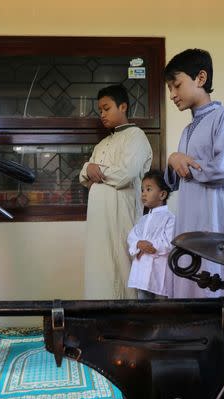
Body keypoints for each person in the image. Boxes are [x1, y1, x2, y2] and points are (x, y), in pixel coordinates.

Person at [164, 48, 224, 298]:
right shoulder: (186, 130)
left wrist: (183, 163)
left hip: (214, 216)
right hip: (189, 215)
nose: (173, 95)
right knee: (190, 271)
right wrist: (172, 161)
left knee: (214, 280)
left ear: (200, 78)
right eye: (169, 89)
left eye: (176, 85)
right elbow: (174, 180)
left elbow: (223, 170)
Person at [80, 85, 153, 299]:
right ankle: (100, 319)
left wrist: (96, 170)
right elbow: (83, 176)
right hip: (98, 219)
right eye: (100, 110)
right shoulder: (102, 143)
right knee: (100, 264)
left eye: (106, 108)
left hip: (123, 213)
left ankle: (130, 323)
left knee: (124, 263)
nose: (102, 114)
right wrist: (87, 168)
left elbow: (126, 174)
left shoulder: (136, 136)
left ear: (123, 106)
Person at [127, 170, 175, 299]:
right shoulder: (143, 219)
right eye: (142, 190)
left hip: (158, 271)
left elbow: (169, 242)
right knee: (143, 308)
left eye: (148, 189)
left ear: (162, 194)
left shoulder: (169, 218)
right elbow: (132, 236)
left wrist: (150, 246)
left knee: (160, 309)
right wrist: (138, 243)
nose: (143, 194)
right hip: (141, 273)